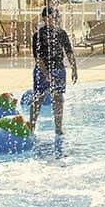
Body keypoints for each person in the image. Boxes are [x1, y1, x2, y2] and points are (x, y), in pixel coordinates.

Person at [30, 7, 78, 135]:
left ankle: (58, 128)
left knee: (58, 98)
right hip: (42, 71)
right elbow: (38, 58)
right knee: (38, 98)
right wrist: (46, 74)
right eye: (50, 17)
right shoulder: (38, 36)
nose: (53, 19)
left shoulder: (61, 33)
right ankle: (31, 128)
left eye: (55, 17)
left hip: (59, 69)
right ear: (44, 18)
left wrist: (74, 68)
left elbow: (68, 51)